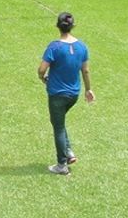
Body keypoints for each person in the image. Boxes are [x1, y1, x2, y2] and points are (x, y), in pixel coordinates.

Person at [38, 12, 94, 175]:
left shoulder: (54, 47)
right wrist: (88, 89)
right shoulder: (82, 46)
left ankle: (62, 164)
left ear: (58, 26)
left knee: (58, 127)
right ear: (73, 26)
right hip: (73, 94)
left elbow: (41, 69)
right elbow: (86, 70)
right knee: (59, 122)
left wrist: (43, 78)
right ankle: (68, 152)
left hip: (57, 94)